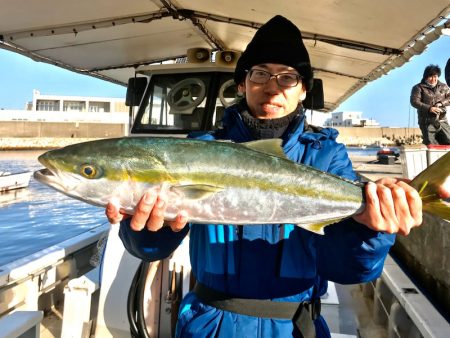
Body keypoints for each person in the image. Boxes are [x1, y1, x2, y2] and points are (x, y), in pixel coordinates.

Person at [106, 16, 424, 338]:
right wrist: (147, 230)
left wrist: (369, 230)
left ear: (303, 90)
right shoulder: (200, 150)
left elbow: (348, 269)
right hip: (210, 325)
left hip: (296, 328)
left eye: (287, 78)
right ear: (242, 83)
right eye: (260, 74)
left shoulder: (325, 156)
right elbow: (149, 251)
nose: (272, 87)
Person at [410, 64, 450, 145]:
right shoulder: (418, 87)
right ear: (426, 77)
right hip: (426, 121)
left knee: (448, 141)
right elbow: (414, 101)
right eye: (430, 76)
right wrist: (429, 108)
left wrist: (441, 103)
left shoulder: (444, 87)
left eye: (435, 76)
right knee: (430, 143)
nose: (433, 79)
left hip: (442, 120)